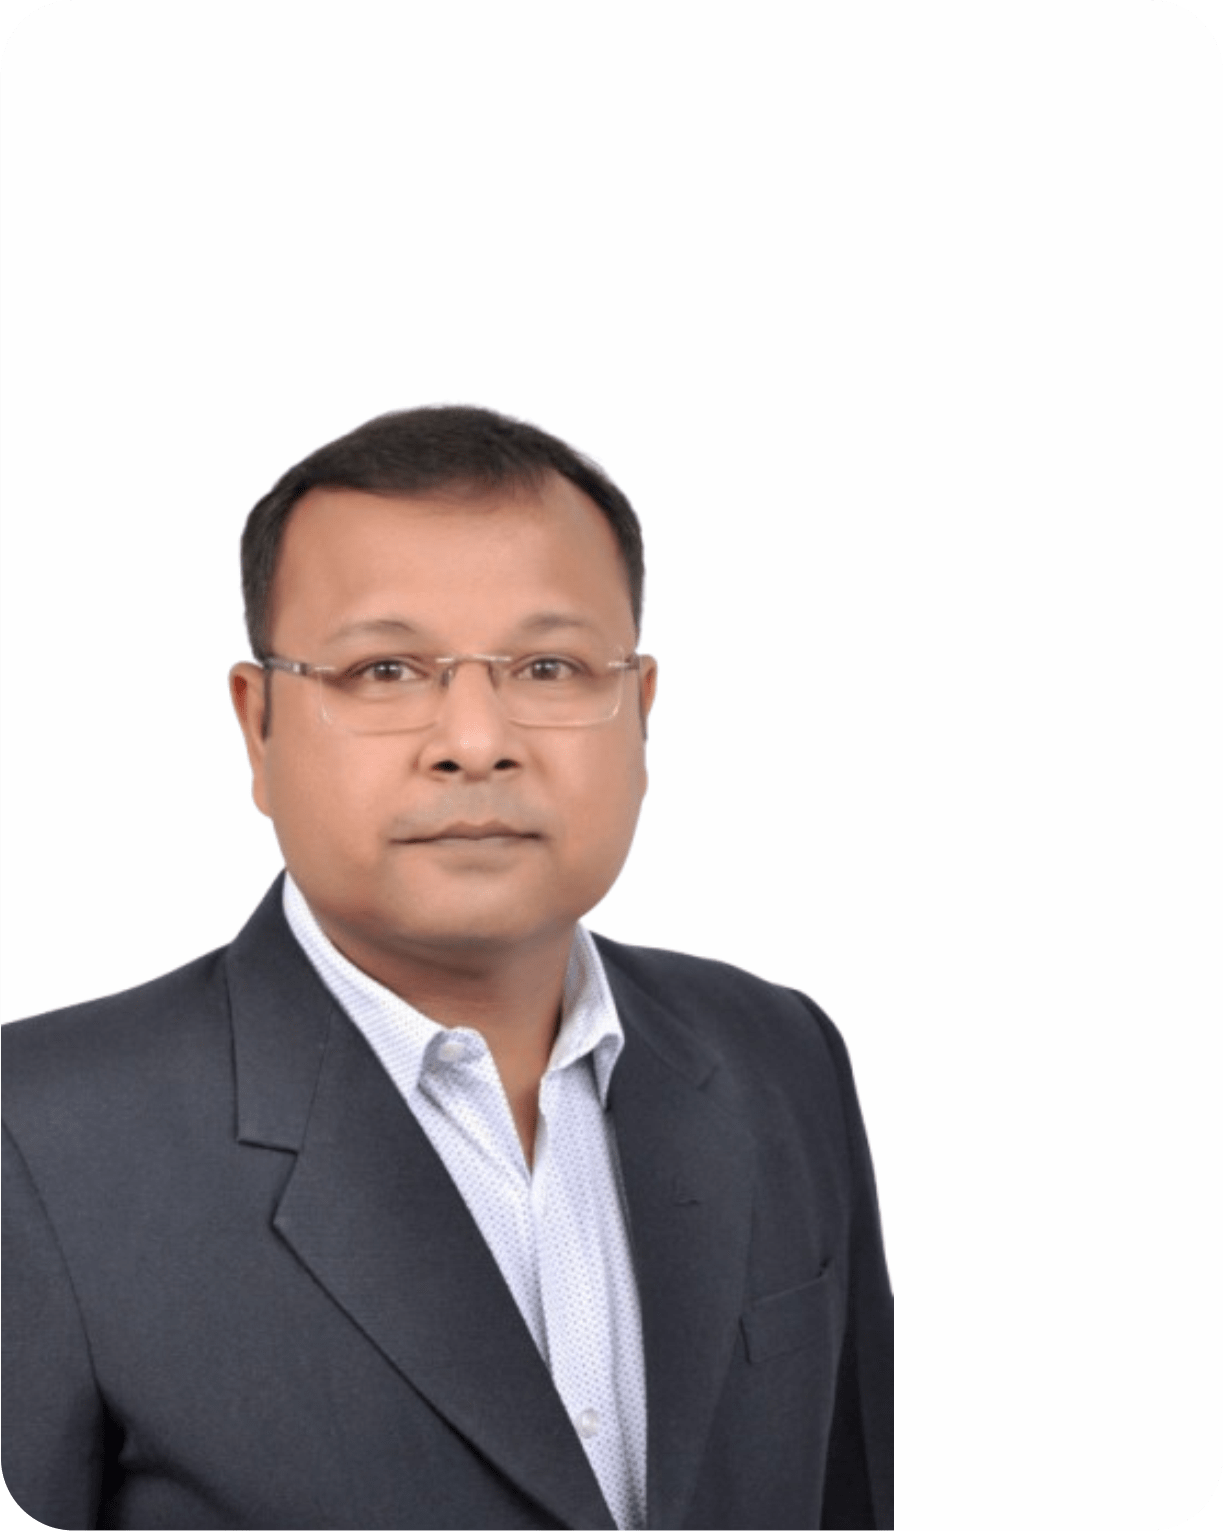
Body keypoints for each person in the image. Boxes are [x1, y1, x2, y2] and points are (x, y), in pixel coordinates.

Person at [2, 406, 893, 1531]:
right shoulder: (35, 1136)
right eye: (384, 669)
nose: (475, 741)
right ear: (258, 723)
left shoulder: (778, 1053)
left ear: (640, 711)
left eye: (548, 665)